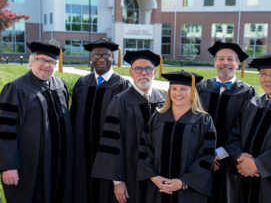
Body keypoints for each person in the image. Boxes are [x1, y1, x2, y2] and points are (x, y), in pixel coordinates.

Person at [0, 41, 73, 203]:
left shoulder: (60, 86)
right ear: (32, 61)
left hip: (58, 163)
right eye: (42, 60)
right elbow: (5, 129)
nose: (47, 65)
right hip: (29, 164)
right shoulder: (16, 88)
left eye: (52, 62)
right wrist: (8, 165)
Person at [91, 50, 165, 203]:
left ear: (155, 72)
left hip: (159, 174)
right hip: (131, 172)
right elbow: (112, 143)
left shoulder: (164, 99)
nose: (143, 73)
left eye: (148, 69)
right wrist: (117, 181)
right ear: (131, 73)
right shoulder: (120, 101)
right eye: (138, 69)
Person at [226, 54, 271, 202]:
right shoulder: (253, 104)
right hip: (245, 183)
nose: (268, 79)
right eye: (263, 74)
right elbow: (234, 135)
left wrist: (258, 165)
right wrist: (240, 157)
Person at [137, 70, 216, 203]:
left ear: (192, 92)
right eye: (174, 88)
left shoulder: (203, 121)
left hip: (188, 192)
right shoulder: (157, 117)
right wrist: (153, 177)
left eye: (183, 89)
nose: (177, 93)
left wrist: (183, 182)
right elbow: (144, 149)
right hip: (158, 188)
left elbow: (206, 157)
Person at [70, 38, 131, 203]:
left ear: (113, 58)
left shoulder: (122, 85)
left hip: (108, 153)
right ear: (91, 58)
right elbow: (73, 116)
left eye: (106, 55)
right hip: (81, 151)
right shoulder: (82, 83)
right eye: (97, 56)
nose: (101, 59)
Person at [196, 41, 256, 203]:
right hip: (199, 158)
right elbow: (193, 123)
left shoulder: (248, 92)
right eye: (221, 58)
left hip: (230, 162)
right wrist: (206, 155)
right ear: (214, 62)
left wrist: (218, 154)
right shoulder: (201, 87)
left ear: (237, 64)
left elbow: (244, 128)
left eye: (230, 59)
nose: (225, 63)